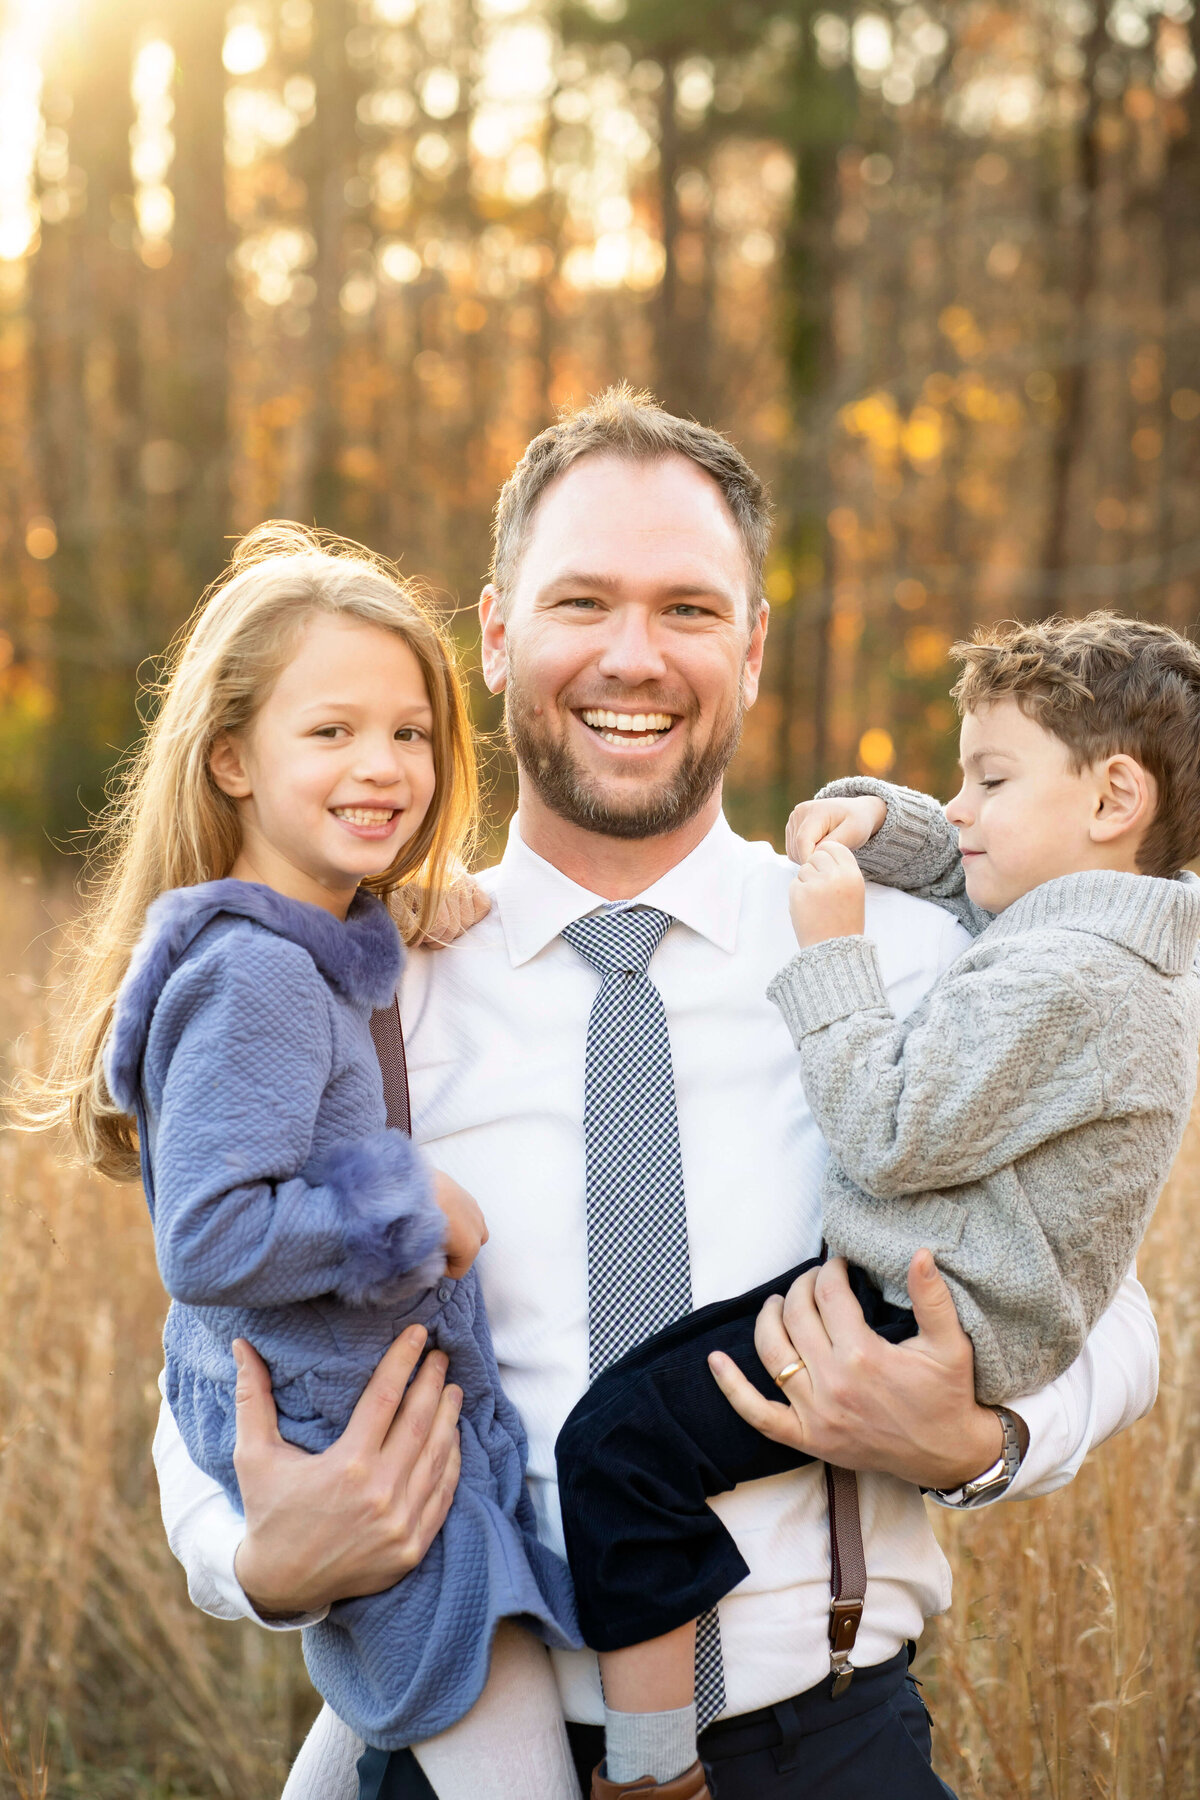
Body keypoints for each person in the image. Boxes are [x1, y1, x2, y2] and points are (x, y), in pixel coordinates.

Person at [151, 389, 1160, 1800]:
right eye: (583, 602)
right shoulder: (363, 982)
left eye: (689, 609)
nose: (635, 657)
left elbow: (1112, 1311)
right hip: (455, 1744)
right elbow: (218, 1344)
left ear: (752, 647)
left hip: (823, 1747)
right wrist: (253, 1560)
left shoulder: (911, 958)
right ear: (497, 635)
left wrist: (982, 1440)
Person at [552, 611, 1200, 1796]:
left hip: (908, 1323)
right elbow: (966, 870)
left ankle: (649, 1771)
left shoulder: (1071, 980)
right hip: (903, 1292)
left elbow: (888, 1135)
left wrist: (830, 952)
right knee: (625, 1424)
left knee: (618, 1448)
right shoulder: (1097, 925)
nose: (958, 809)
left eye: (988, 778)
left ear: (1113, 800)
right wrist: (876, 819)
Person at [28, 523, 581, 1795]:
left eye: (409, 734)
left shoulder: (288, 943)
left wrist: (396, 907)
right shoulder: (261, 975)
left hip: (350, 1410)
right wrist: (408, 1206)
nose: (382, 766)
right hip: (343, 1436)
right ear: (231, 756)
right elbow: (210, 1238)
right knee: (486, 1704)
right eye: (330, 733)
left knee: (407, 1701)